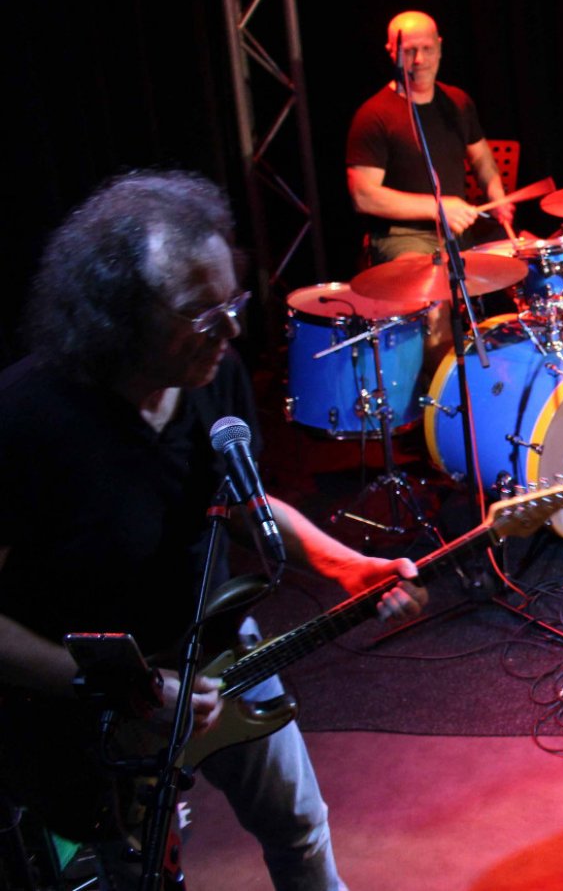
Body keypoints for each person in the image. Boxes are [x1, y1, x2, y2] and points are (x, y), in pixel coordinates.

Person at [0, 171, 427, 890]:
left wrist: (345, 564)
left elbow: (242, 501)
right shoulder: (24, 421)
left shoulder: (214, 376)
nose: (231, 332)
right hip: (93, 710)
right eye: (203, 314)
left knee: (300, 826)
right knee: (137, 871)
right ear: (118, 315)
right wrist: (116, 688)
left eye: (234, 302)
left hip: (221, 650)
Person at [346, 9, 514, 263]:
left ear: (440, 47)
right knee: (428, 284)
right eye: (409, 51)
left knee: (523, 260)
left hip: (458, 230)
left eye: (427, 48)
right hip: (404, 236)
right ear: (391, 52)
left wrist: (496, 195)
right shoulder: (373, 115)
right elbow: (363, 196)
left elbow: (481, 158)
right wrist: (437, 208)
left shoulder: (458, 101)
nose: (419, 59)